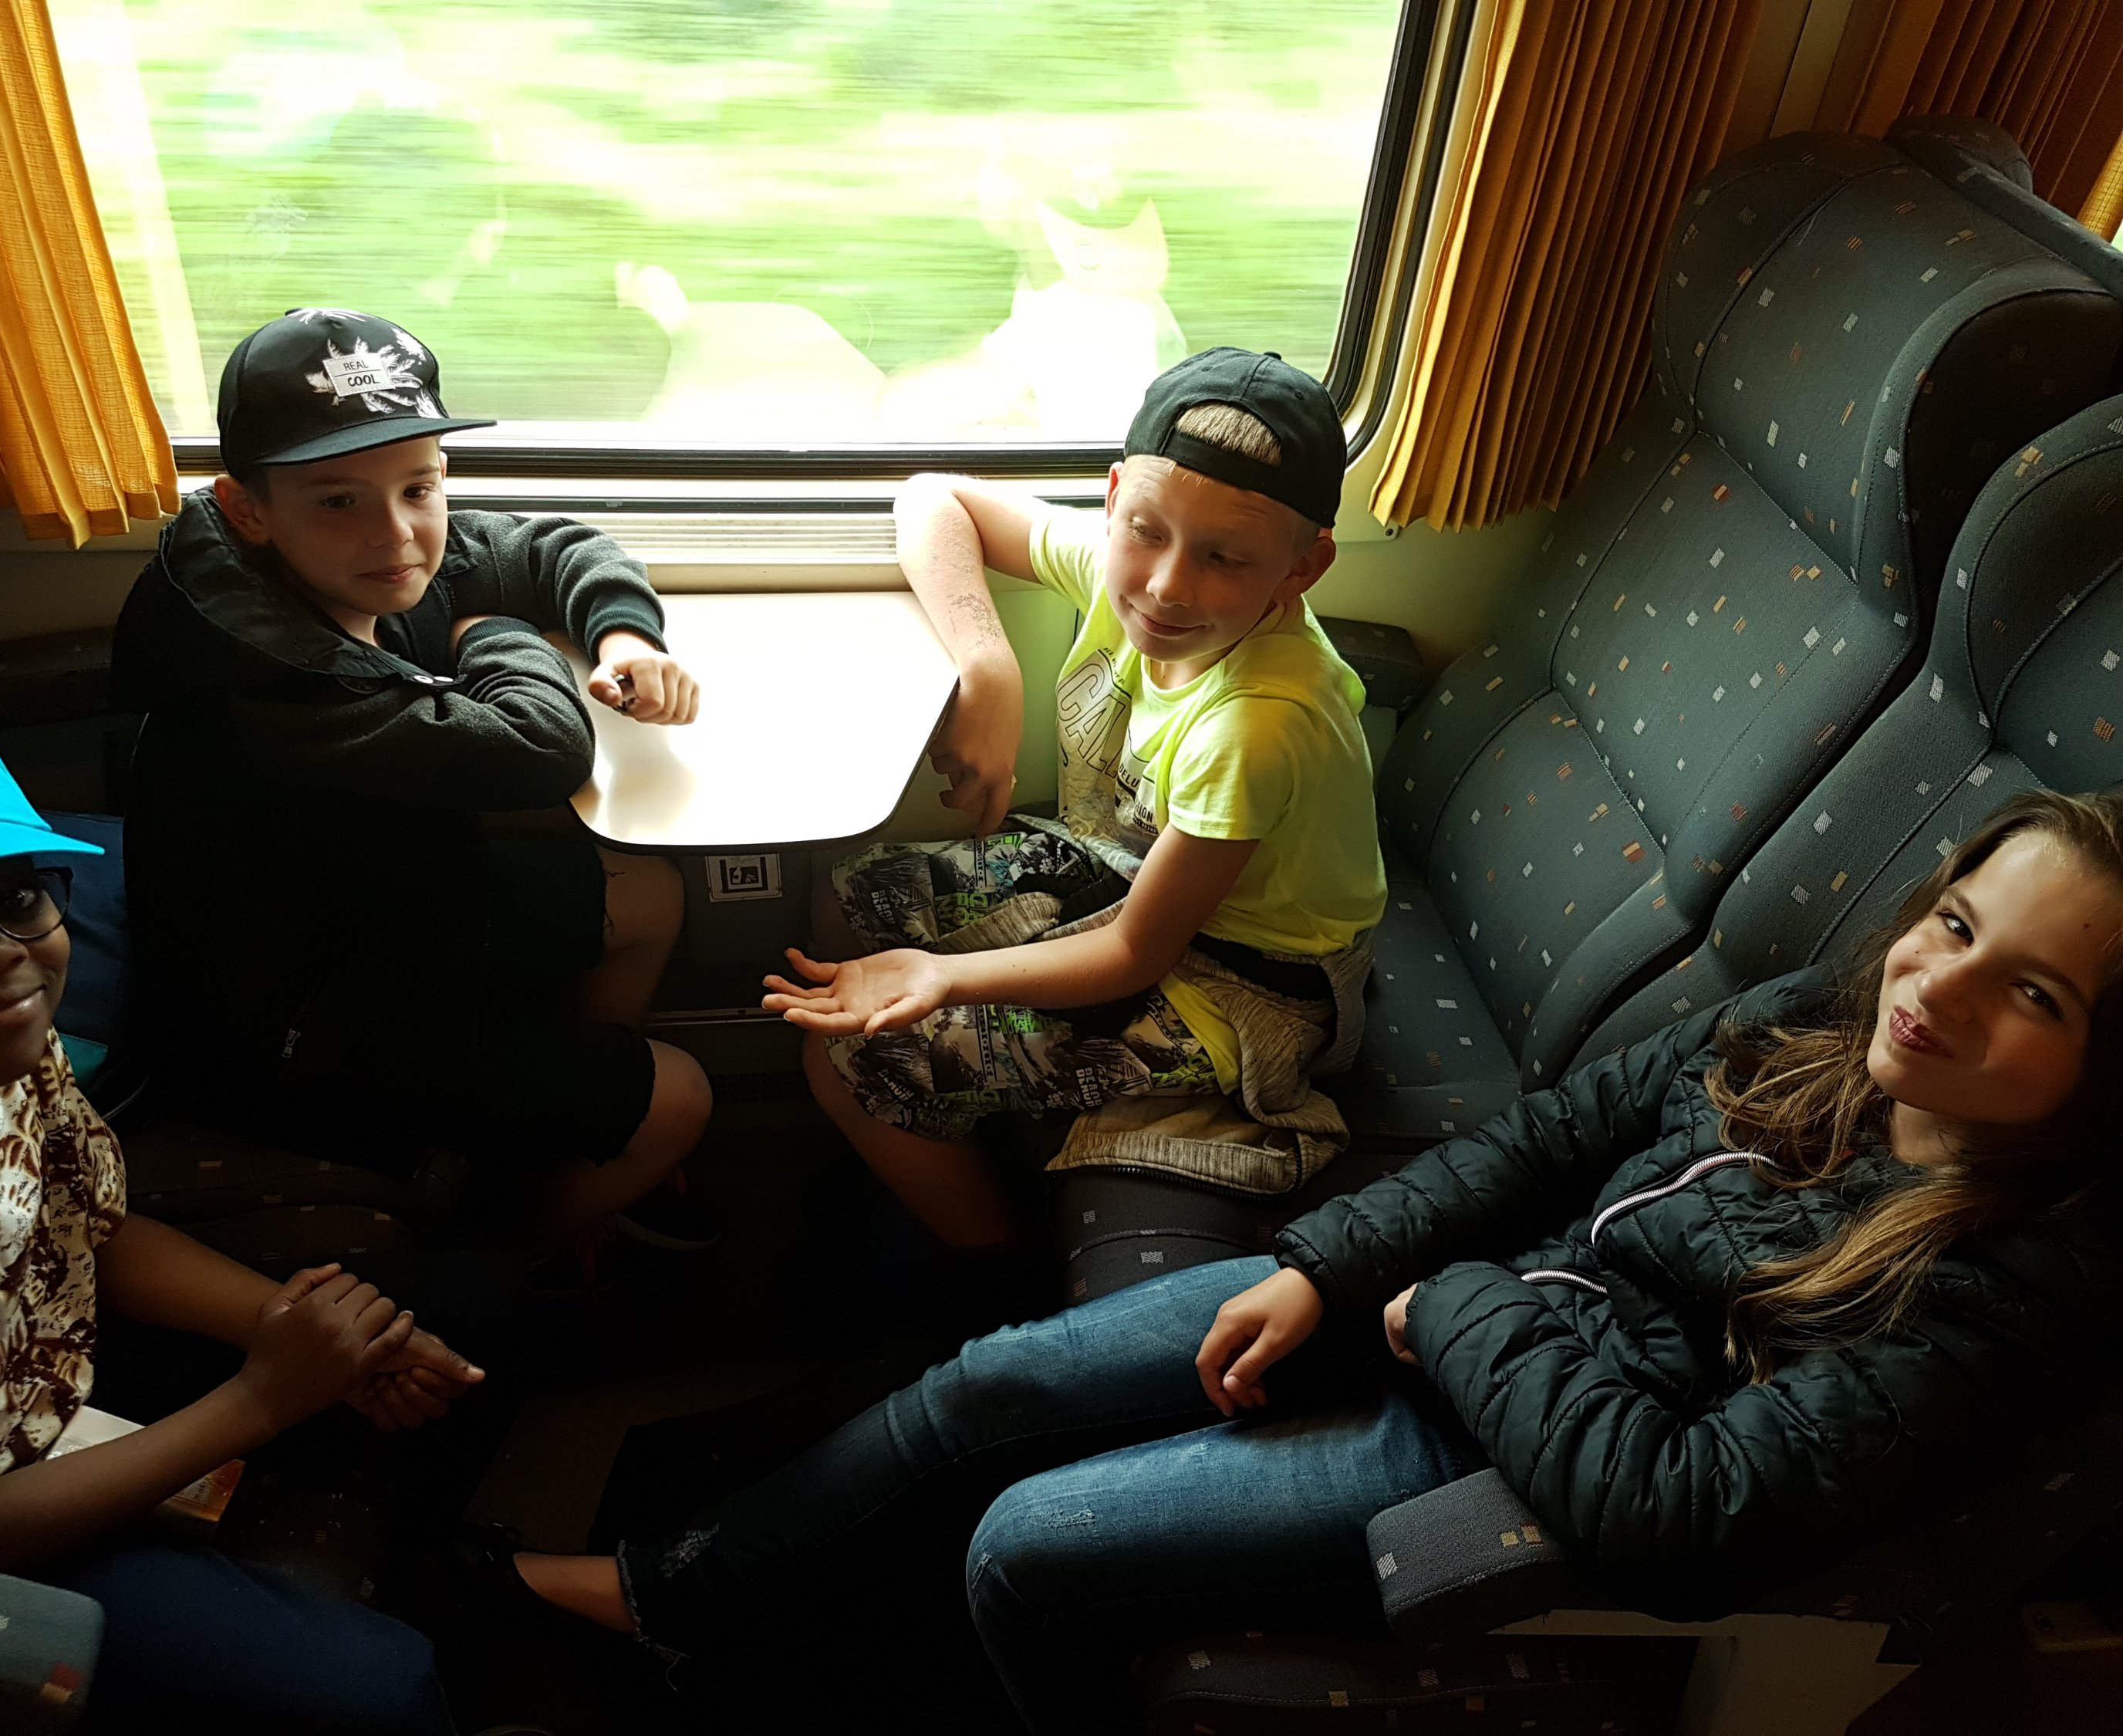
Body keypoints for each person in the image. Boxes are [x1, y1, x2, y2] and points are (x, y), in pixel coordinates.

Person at [490, 789, 2123, 1731]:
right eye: (1957, 925)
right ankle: (671, 1592)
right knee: (993, 1383)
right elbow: (1542, 1145)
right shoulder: (1806, 1027)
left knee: (1024, 1545)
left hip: (1523, 1469)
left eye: (2034, 995)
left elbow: (1678, 1515)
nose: (1941, 989)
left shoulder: (2013, 1291)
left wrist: (1449, 1308)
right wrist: (1324, 1272)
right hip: (1454, 1315)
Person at [0, 702, 488, 1734]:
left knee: (470, 1309)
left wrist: (291, 1329)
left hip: (53, 1369)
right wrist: (263, 1398)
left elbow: (95, 1233)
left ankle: (435, 1566)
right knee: (383, 1695)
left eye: (15, 898)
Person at [113, 308, 714, 1265]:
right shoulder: (272, 685)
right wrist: (494, 635)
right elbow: (541, 749)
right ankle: (511, 1256)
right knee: (681, 1095)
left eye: (419, 488)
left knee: (646, 894)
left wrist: (623, 636)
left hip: (376, 912)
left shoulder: (334, 565)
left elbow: (548, 547)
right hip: (304, 1036)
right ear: (247, 510)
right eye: (338, 500)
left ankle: (563, 1142)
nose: (396, 536)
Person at [765, 346, 1385, 1260]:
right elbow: (934, 499)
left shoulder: (1259, 724)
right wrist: (990, 667)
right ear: (1115, 498)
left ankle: (994, 1265)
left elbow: (1136, 951)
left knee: (850, 1057)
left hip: (1246, 983)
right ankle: (941, 1141)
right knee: (847, 896)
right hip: (1127, 869)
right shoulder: (1120, 564)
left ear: (1303, 568)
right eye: (1147, 532)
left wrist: (940, 977)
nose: (1167, 585)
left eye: (1224, 557)